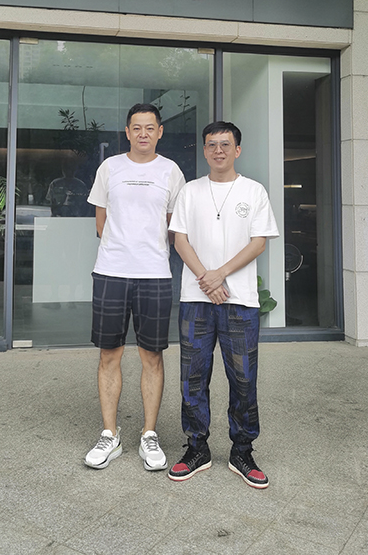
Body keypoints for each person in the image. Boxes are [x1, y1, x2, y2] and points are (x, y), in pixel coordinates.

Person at [167, 121, 279, 487]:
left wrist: (220, 275)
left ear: (237, 150)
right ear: (204, 150)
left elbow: (258, 242)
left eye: (225, 144)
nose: (218, 150)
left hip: (240, 300)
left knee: (243, 379)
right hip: (195, 299)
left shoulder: (254, 191)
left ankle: (242, 450)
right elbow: (179, 239)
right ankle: (196, 447)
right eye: (212, 144)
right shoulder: (190, 191)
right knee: (192, 377)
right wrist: (206, 278)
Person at [84, 103, 185, 471]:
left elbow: (175, 226)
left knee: (152, 356)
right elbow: (101, 223)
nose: (143, 133)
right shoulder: (110, 168)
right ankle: (109, 435)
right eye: (137, 128)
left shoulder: (171, 171)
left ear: (160, 132)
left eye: (150, 127)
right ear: (127, 132)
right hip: (110, 272)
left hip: (155, 274)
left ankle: (148, 434)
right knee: (108, 355)